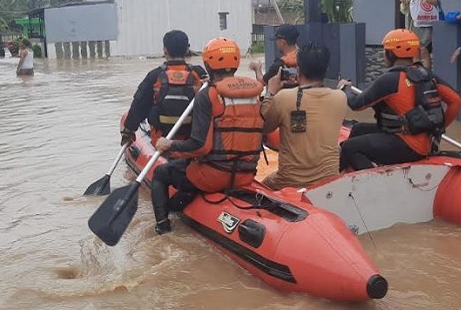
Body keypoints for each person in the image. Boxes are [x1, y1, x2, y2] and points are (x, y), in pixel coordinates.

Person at [151, 37, 264, 234]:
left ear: (208, 63)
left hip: (212, 177)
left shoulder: (207, 96)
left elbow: (200, 146)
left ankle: (162, 227)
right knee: (188, 167)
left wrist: (169, 145)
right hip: (245, 175)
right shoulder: (254, 94)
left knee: (161, 174)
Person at [338, 29, 461, 171]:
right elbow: (456, 101)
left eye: (385, 52)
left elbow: (356, 104)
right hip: (426, 144)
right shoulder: (427, 75)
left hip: (408, 147)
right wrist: (438, 129)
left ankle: (372, 182)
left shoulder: (390, 80)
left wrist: (344, 89)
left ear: (391, 54)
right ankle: (345, 172)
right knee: (359, 129)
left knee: (349, 147)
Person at [260, 42, 347, 190]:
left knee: (261, 189)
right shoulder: (340, 97)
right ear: (326, 69)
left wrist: (271, 92)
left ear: (298, 69)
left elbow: (263, 126)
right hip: (328, 180)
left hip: (288, 182)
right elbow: (317, 98)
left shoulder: (284, 98)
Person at [120, 30, 207, 146]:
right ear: (187, 49)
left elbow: (138, 106)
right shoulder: (199, 73)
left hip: (161, 141)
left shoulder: (154, 75)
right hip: (192, 141)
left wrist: (128, 131)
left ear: (164, 49)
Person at [399, 0, 441, 69]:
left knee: (423, 49)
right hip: (411, 23)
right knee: (414, 49)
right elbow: (405, 10)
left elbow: (435, 1)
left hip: (424, 24)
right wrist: (403, 1)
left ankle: (426, 72)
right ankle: (417, 72)